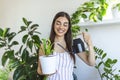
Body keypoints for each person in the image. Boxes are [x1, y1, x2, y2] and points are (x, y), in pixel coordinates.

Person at [37, 11, 95, 80]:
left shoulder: (73, 44)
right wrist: (46, 72)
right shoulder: (45, 46)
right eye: (58, 24)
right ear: (53, 25)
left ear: (68, 27)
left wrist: (90, 44)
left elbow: (91, 63)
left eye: (65, 25)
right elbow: (39, 70)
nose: (61, 27)